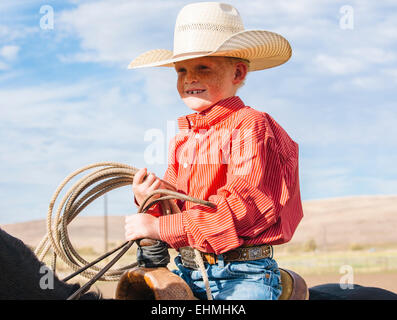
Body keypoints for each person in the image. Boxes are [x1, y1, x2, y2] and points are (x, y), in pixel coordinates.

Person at [124, 2, 304, 300]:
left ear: (238, 72)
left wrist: (158, 226)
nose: (189, 78)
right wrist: (152, 199)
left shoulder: (251, 125)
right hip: (188, 269)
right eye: (181, 70)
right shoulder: (183, 138)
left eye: (202, 68)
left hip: (242, 275)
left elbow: (242, 209)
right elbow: (179, 210)